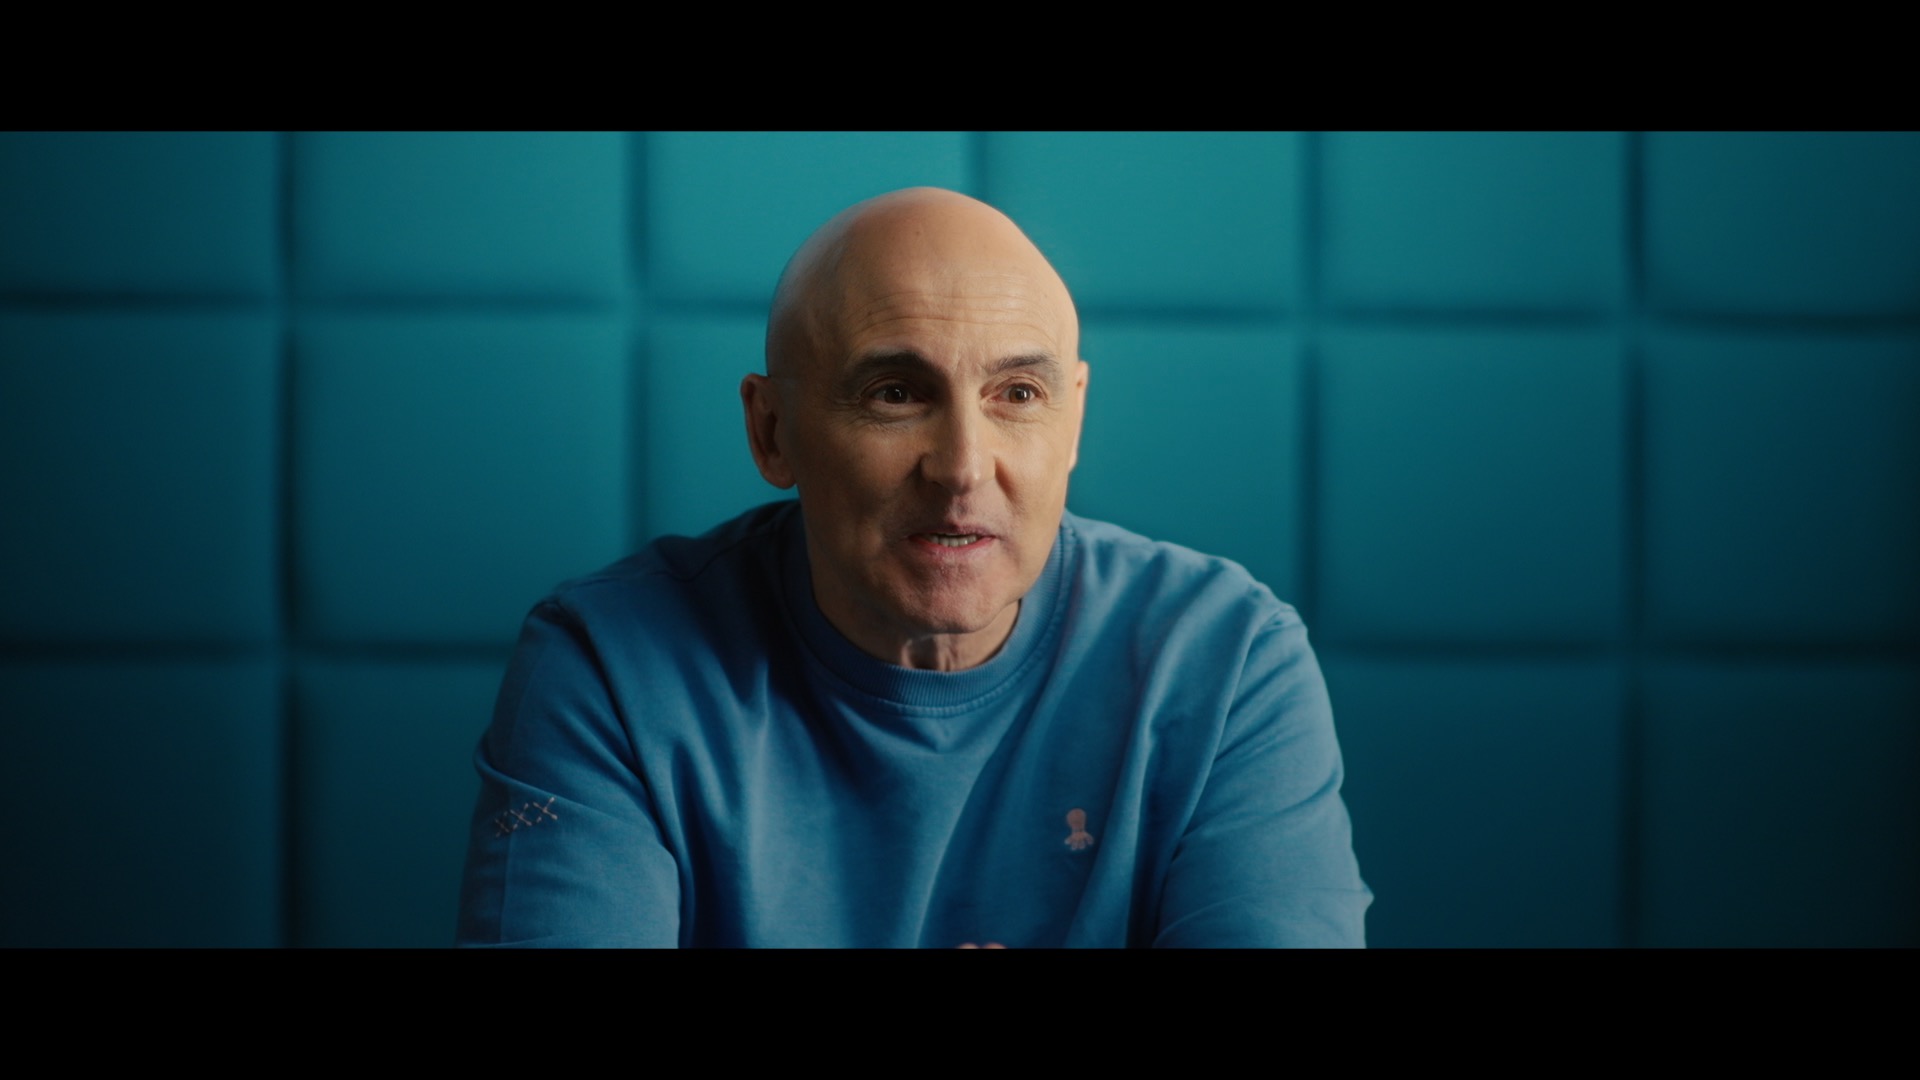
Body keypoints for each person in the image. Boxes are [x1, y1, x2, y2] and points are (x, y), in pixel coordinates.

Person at [457, 187, 1369, 947]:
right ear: (772, 432)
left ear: (1074, 421)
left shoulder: (1226, 660)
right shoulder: (609, 667)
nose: (963, 467)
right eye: (895, 394)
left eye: (1019, 394)